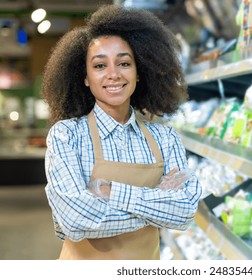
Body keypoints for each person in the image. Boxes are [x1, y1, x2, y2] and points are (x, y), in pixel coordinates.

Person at [41, 4, 202, 260]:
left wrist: (110, 192)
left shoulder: (165, 138)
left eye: (124, 63)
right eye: (100, 66)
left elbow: (184, 213)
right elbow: (77, 220)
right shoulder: (66, 136)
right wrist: (158, 199)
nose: (113, 74)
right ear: (85, 77)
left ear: (140, 72)